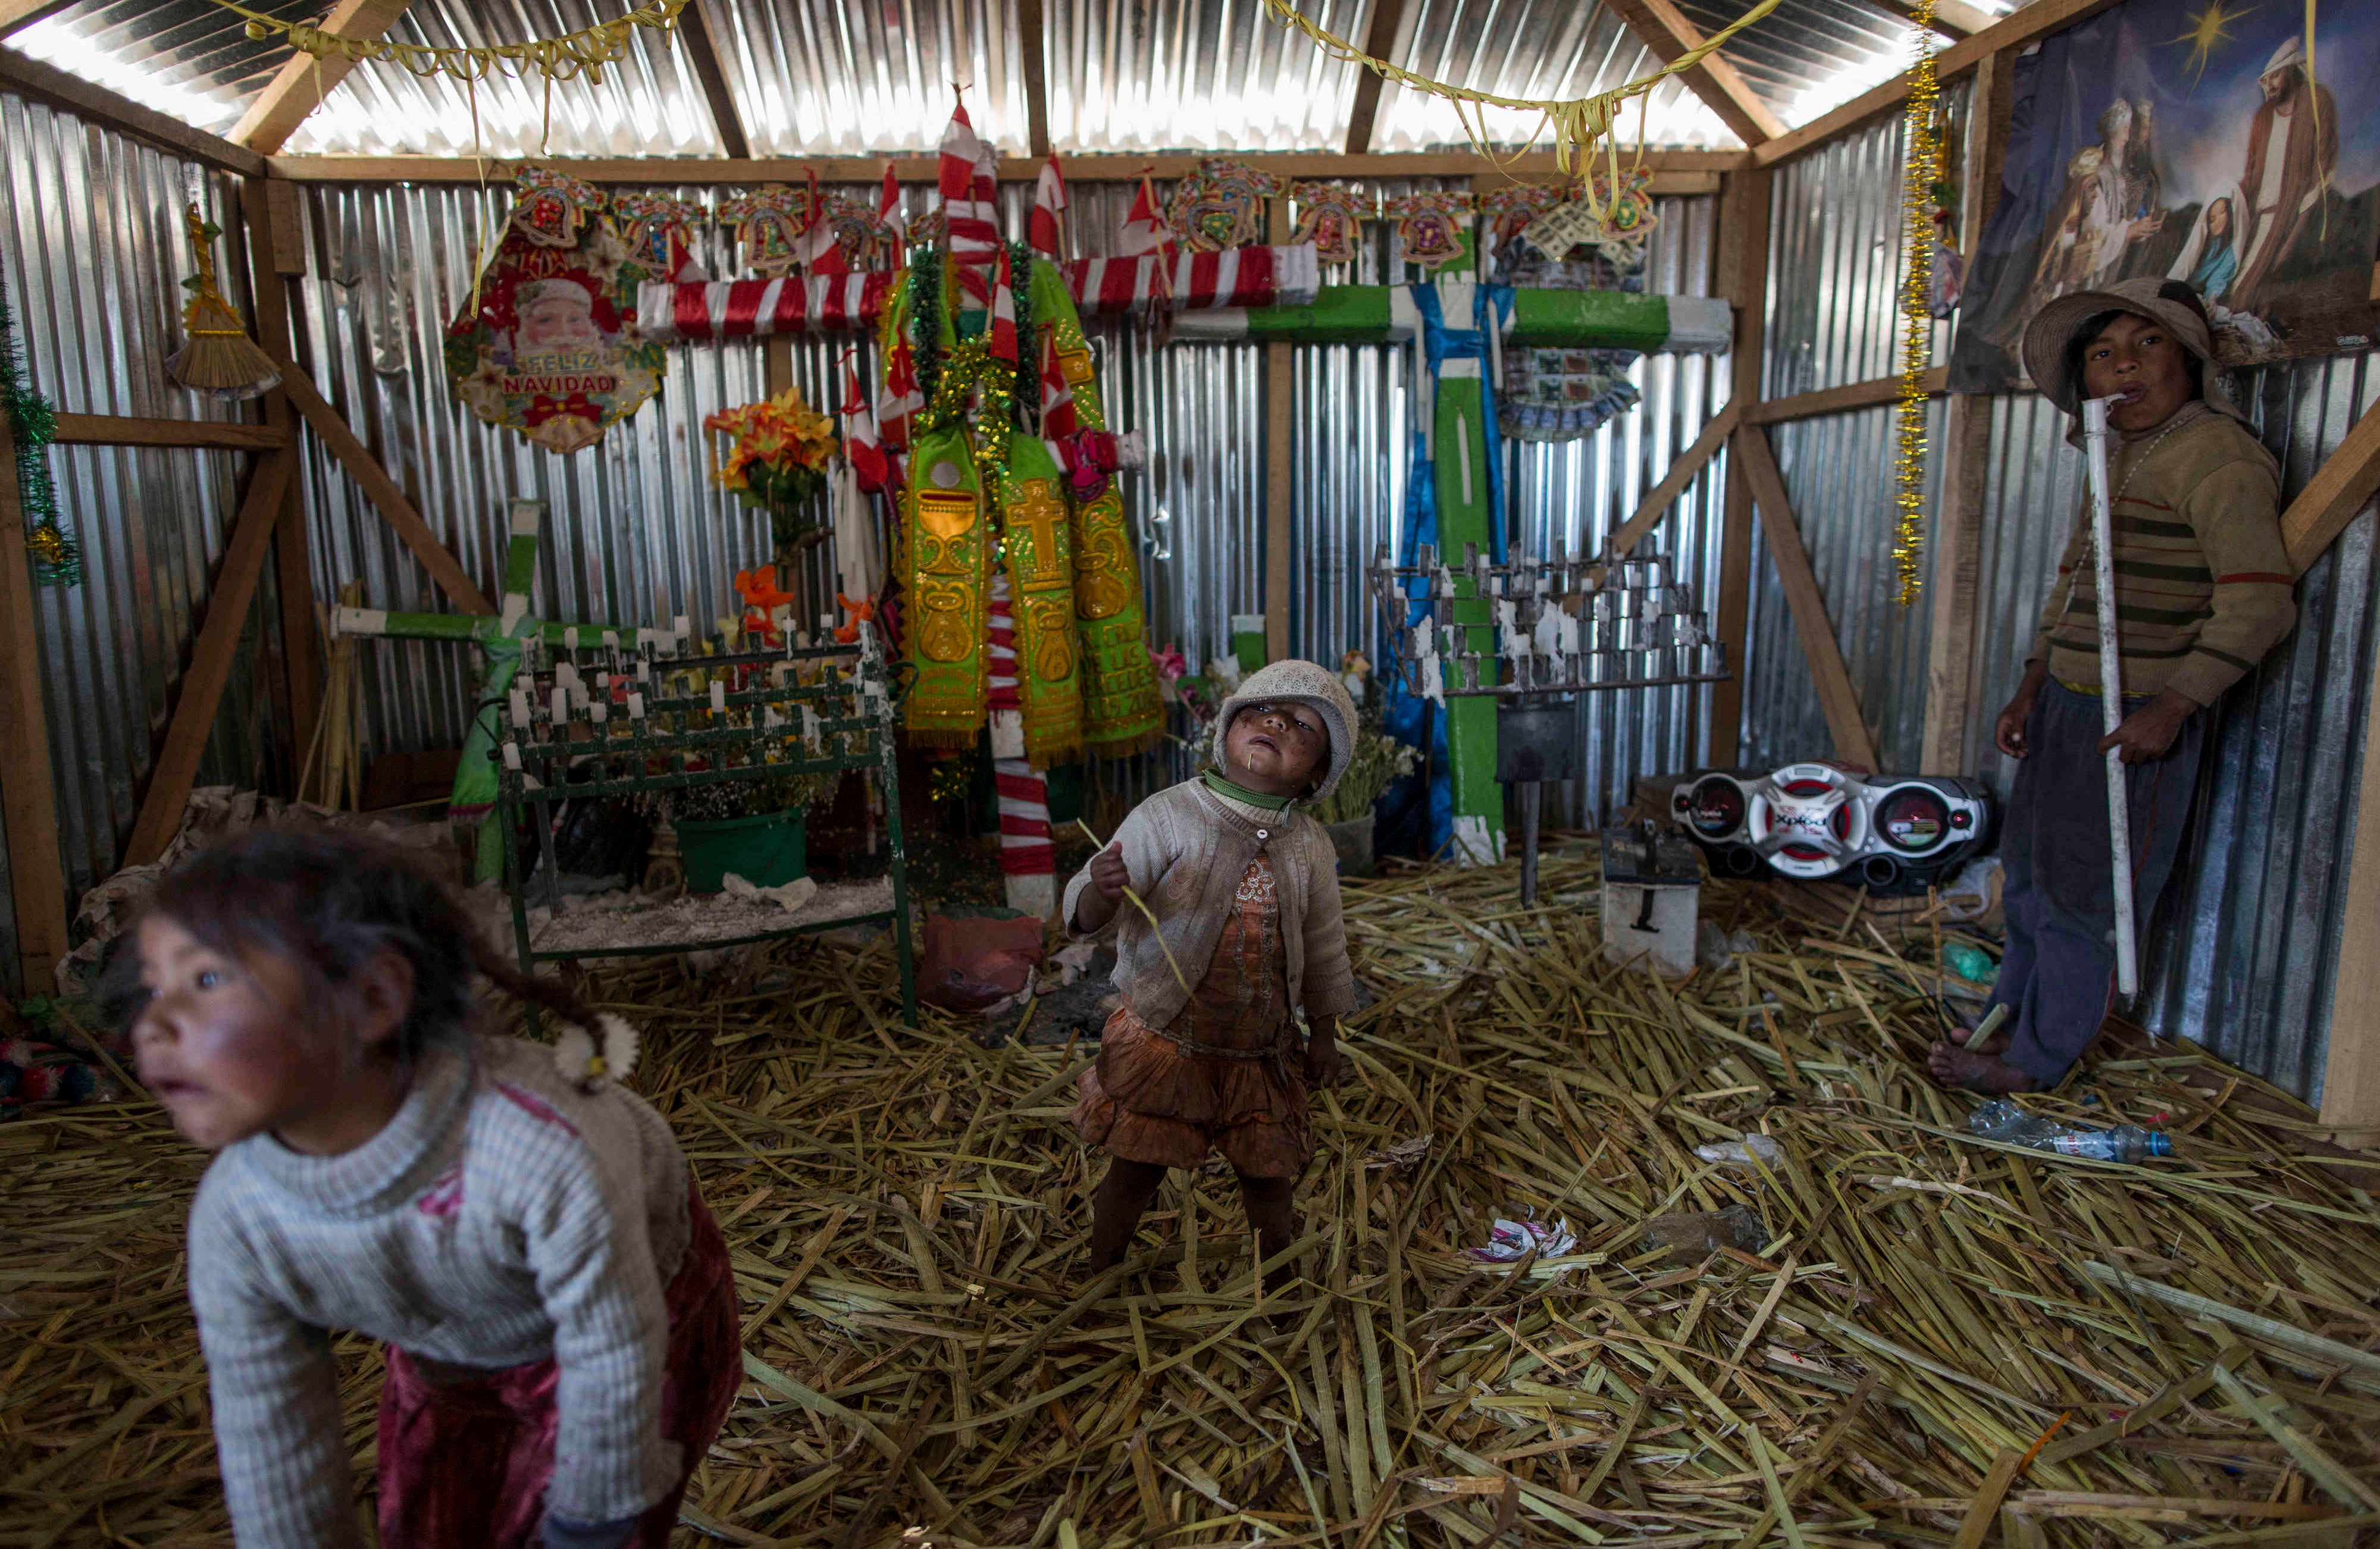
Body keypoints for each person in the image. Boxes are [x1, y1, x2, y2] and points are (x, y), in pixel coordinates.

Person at [121, 831, 740, 1549]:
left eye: (204, 981)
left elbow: (613, 1347)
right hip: (451, 1341)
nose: (152, 1024)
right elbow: (270, 1428)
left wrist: (591, 1526)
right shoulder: (238, 1221)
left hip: (642, 1305)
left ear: (373, 999)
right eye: (151, 983)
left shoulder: (538, 1148)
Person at [1930, 278, 2294, 1095]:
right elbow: (2075, 582)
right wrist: (2031, 685)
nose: (2123, 366)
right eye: (2103, 353)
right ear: (2083, 379)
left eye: (2148, 343)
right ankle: (2007, 1019)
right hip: (2067, 703)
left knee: (2086, 899)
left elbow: (2260, 602)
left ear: (2190, 359)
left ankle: (2034, 1063)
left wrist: (2176, 704)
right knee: (2027, 880)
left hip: (2135, 716)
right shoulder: (2116, 454)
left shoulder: (2218, 455)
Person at [1066, 660, 1361, 1288]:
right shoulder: (1170, 815)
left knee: (1268, 1177)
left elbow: (1325, 944)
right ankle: (1102, 1271)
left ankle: (1276, 1281)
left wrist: (1326, 1034)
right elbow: (1090, 908)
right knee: (1137, 1169)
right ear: (1226, 729)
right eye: (1260, 711)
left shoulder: (1310, 847)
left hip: (1260, 1051)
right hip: (1169, 1044)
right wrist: (1101, 889)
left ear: (1314, 776)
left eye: (1303, 728)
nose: (1276, 722)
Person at [2231, 35, 2338, 311]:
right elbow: (2252, 175)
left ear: (2291, 69)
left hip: (2293, 218)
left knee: (2247, 297)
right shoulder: (2262, 117)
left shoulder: (2317, 100)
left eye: (2274, 77)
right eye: (2264, 81)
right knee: (2232, 294)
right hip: (2257, 220)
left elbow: (2323, 168)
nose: (2268, 87)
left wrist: (2292, 237)